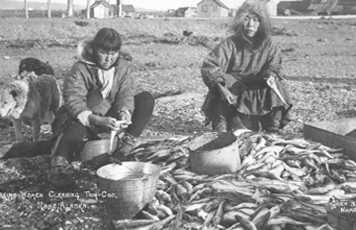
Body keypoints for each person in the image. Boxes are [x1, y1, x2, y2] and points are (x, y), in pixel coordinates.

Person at [49, 28, 155, 187]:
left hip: (109, 115)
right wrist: (96, 119)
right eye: (104, 53)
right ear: (94, 49)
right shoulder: (80, 68)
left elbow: (125, 93)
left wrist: (124, 112)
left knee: (146, 99)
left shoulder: (122, 66)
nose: (108, 59)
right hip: (84, 116)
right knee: (74, 128)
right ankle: (59, 167)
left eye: (113, 53)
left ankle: (124, 150)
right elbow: (73, 100)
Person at [201, 0, 293, 133]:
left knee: (278, 87)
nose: (250, 24)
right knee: (220, 87)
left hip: (257, 87)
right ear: (240, 22)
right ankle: (221, 127)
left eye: (255, 20)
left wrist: (270, 75)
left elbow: (274, 64)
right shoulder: (230, 43)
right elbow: (210, 65)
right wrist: (221, 88)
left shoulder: (268, 44)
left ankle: (273, 128)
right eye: (247, 19)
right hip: (234, 88)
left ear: (261, 24)